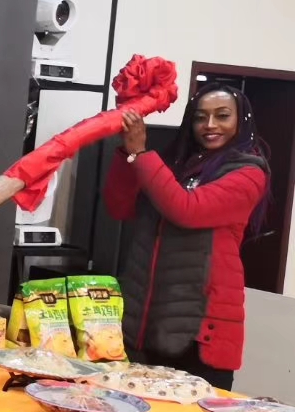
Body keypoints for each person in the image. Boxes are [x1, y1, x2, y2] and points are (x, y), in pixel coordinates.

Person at [105, 82, 270, 389]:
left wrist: (140, 152)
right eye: (200, 117)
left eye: (222, 116)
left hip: (199, 337)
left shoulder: (249, 173)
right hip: (146, 325)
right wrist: (127, 153)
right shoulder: (174, 166)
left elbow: (187, 210)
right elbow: (119, 206)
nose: (210, 125)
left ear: (241, 120)